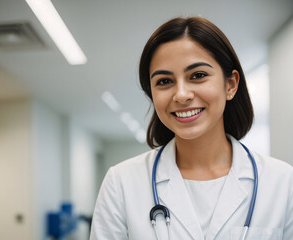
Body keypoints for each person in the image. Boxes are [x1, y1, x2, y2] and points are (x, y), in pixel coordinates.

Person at [90, 17, 293, 240]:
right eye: (164, 81)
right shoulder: (122, 183)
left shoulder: (282, 182)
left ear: (230, 85)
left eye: (198, 76)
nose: (182, 95)